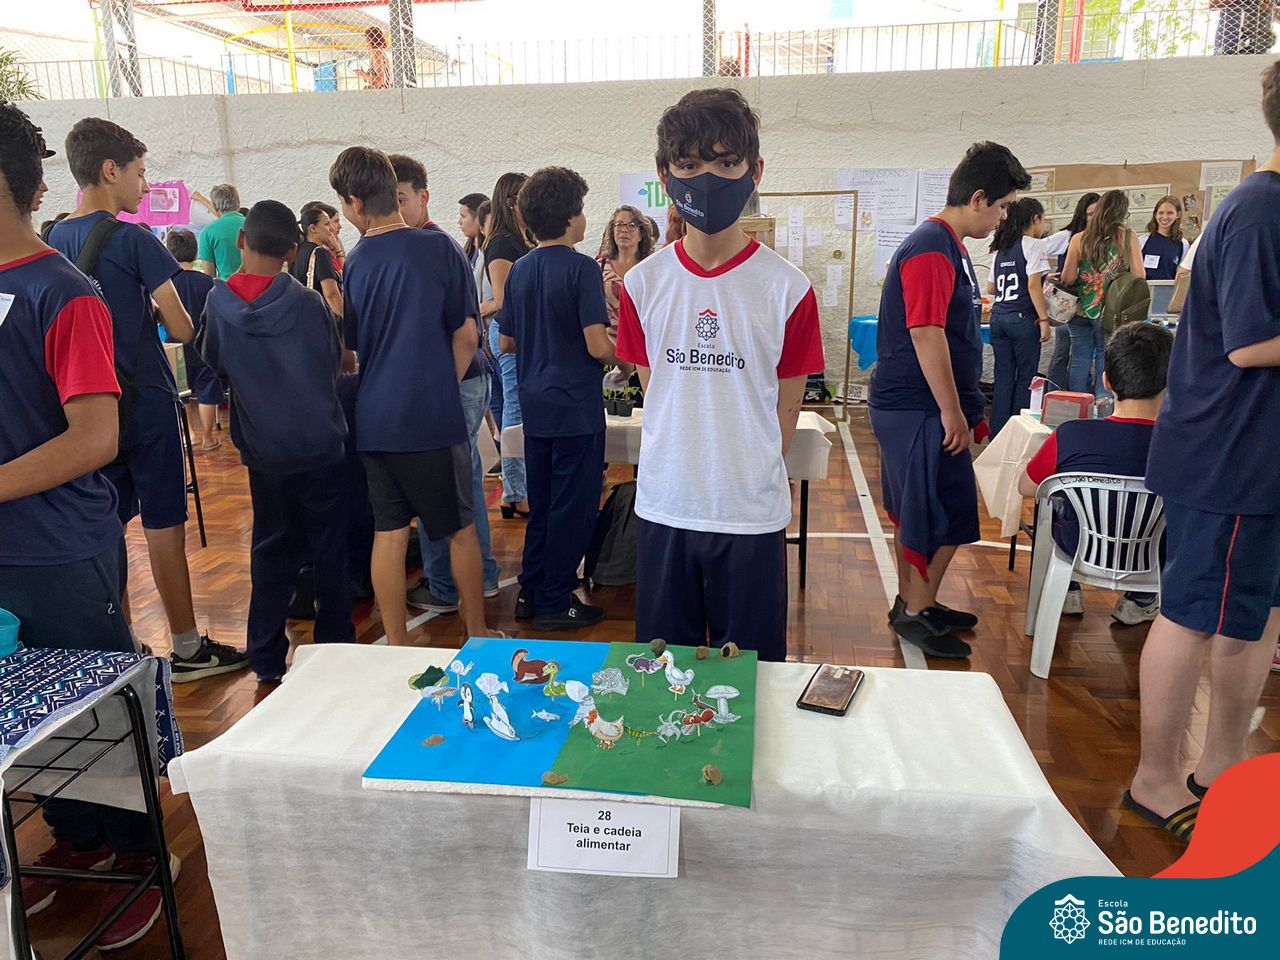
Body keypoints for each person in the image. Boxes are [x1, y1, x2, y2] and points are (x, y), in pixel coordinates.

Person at [0, 100, 179, 952]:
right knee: (22, 716)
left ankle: (142, 855)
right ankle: (73, 839)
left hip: (65, 549)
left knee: (96, 717)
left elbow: (95, 436)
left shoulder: (61, 292)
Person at [615, 88, 824, 661]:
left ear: (755, 170)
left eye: (727, 162)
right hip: (666, 505)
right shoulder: (642, 285)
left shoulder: (789, 289)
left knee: (750, 678)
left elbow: (785, 414)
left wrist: (742, 477)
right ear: (665, 174)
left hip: (749, 514)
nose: (708, 179)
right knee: (665, 677)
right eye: (689, 165)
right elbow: (657, 392)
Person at [1130, 62, 1280, 840]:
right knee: (1192, 614)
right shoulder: (1260, 211)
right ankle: (1154, 778)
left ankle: (1221, 765)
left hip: (1257, 460)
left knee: (1252, 615)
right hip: (1230, 457)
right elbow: (1252, 345)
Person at [48, 117, 247, 681]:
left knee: (106, 524)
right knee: (163, 522)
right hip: (147, 401)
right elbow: (181, 327)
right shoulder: (134, 239)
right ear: (110, 170)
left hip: (88, 407)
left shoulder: (54, 239)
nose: (145, 185)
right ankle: (186, 647)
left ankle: (122, 645)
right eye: (139, 173)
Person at [870, 141, 1031, 659]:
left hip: (927, 404)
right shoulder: (930, 247)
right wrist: (951, 411)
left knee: (943, 508)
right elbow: (926, 332)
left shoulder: (951, 246)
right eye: (1002, 206)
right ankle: (914, 611)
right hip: (915, 406)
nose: (1003, 217)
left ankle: (916, 602)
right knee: (931, 511)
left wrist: (965, 406)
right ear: (978, 198)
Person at [329, 145, 494, 644]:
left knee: (390, 531)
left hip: (375, 415)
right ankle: (477, 633)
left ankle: (397, 645)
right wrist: (440, 386)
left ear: (356, 202)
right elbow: (467, 334)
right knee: (459, 529)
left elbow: (355, 347)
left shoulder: (357, 260)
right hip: (430, 416)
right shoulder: (439, 247)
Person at [199, 200, 354, 681]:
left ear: (241, 240)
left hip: (265, 449)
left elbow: (213, 362)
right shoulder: (308, 304)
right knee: (330, 547)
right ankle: (336, 644)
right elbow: (333, 364)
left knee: (270, 549)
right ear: (292, 252)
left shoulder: (217, 305)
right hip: (320, 442)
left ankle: (265, 654)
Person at [500, 167, 622, 629]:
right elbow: (597, 345)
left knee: (544, 503)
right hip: (574, 407)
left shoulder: (521, 269)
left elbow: (506, 341)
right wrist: (626, 358)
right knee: (573, 507)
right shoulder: (581, 268)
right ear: (571, 216)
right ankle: (555, 599)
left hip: (536, 405)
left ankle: (532, 590)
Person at [388, 153, 502, 612]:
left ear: (423, 197)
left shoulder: (434, 246)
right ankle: (475, 577)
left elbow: (465, 331)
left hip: (457, 380)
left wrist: (439, 390)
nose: (393, 210)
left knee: (446, 486)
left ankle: (446, 585)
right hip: (456, 380)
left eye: (400, 199)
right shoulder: (421, 246)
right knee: (459, 482)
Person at [1018, 323, 1173, 624]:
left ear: (1106, 380)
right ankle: (1140, 599)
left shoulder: (1072, 434)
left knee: (1058, 507)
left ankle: (1069, 590)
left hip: (1078, 548)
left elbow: (1027, 487)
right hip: (1155, 557)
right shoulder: (1185, 445)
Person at [1060, 190, 1145, 397]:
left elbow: (1068, 277)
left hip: (1080, 309)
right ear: (1122, 212)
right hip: (1110, 311)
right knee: (1104, 358)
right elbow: (1139, 274)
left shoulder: (1079, 238)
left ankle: (1078, 403)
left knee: (1079, 358)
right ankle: (1102, 405)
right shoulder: (1127, 236)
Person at [483, 172, 533, 519]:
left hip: (513, 331)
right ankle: (516, 492)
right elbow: (504, 299)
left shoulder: (516, 240)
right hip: (510, 332)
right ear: (512, 202)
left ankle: (515, 489)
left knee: (512, 409)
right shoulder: (502, 243)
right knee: (515, 410)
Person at [986, 197, 1051, 437]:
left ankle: (997, 432)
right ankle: (1018, 433)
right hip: (1023, 319)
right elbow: (1034, 285)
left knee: (1003, 376)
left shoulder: (1000, 248)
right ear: (1035, 218)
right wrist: (1044, 320)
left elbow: (991, 288)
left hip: (999, 317)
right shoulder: (1034, 245)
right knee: (1025, 376)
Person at [164, 228, 222, 451]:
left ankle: (190, 434)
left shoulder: (168, 283)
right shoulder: (208, 282)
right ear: (195, 252)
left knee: (182, 390)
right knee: (207, 388)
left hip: (175, 344)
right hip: (204, 344)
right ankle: (207, 438)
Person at [1042, 192, 1099, 390]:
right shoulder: (1068, 236)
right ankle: (1054, 393)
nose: (1094, 218)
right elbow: (1034, 250)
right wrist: (1044, 275)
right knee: (1063, 353)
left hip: (1093, 307)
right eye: (1090, 213)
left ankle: (1079, 396)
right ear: (1082, 214)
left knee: (1084, 356)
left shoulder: (1104, 239)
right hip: (1067, 306)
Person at [600, 204, 654, 327]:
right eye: (619, 224)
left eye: (632, 225)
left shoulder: (650, 266)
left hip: (641, 335)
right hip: (609, 336)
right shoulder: (600, 266)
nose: (624, 230)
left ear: (641, 234)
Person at [292, 203, 344, 320]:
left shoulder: (302, 250)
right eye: (327, 224)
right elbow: (331, 294)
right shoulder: (320, 253)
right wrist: (345, 321)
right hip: (323, 317)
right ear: (313, 228)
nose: (332, 228)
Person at [195, 183, 245, 280]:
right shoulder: (253, 225)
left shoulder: (207, 233)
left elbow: (210, 276)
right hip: (256, 286)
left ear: (214, 206)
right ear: (238, 202)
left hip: (227, 286)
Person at [1140, 195, 1189, 281]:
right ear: (1155, 214)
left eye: (1170, 213)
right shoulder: (1142, 241)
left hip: (1169, 289)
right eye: (1161, 213)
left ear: (1178, 215)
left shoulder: (1183, 244)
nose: (1165, 217)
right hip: (1144, 288)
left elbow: (1181, 275)